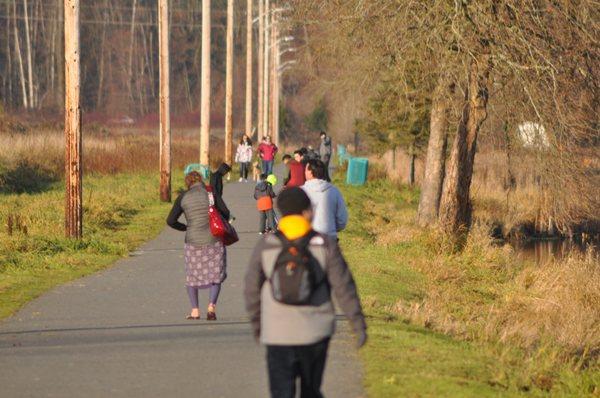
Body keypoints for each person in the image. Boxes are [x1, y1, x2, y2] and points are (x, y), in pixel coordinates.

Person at [244, 187, 367, 398]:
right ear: (307, 211)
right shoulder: (324, 244)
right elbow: (343, 285)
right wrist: (357, 324)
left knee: (281, 392)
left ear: (280, 211)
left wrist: (258, 326)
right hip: (316, 331)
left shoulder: (267, 245)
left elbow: (251, 288)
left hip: (277, 332)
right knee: (311, 390)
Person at [167, 171, 227, 321]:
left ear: (188, 183)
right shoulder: (211, 194)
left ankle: (195, 311)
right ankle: (211, 306)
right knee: (215, 275)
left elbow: (170, 220)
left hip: (193, 242)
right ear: (201, 180)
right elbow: (225, 212)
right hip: (214, 240)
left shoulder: (183, 197)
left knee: (192, 277)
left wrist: (185, 227)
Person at [302, 159, 348, 238]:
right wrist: (331, 227)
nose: (304, 172)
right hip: (329, 239)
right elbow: (342, 220)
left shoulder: (300, 191)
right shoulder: (334, 191)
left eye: (306, 170)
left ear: (310, 172)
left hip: (306, 239)